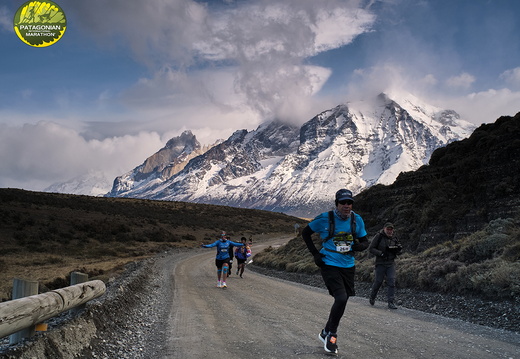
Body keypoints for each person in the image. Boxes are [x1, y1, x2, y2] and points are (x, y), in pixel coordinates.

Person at [302, 189, 369, 355]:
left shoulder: (356, 219)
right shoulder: (325, 218)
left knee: (343, 300)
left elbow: (365, 241)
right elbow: (305, 233)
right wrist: (316, 254)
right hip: (329, 263)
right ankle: (331, 336)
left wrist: (360, 246)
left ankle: (325, 331)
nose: (346, 206)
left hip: (348, 265)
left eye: (349, 203)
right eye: (343, 203)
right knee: (341, 297)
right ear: (337, 204)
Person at [368, 222, 403, 309]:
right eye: (388, 229)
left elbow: (399, 251)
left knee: (392, 281)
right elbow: (371, 248)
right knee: (378, 282)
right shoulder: (378, 236)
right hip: (380, 263)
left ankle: (390, 302)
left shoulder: (394, 238)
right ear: (384, 229)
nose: (389, 231)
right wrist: (381, 254)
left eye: (391, 229)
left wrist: (398, 249)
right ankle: (372, 297)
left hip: (391, 263)